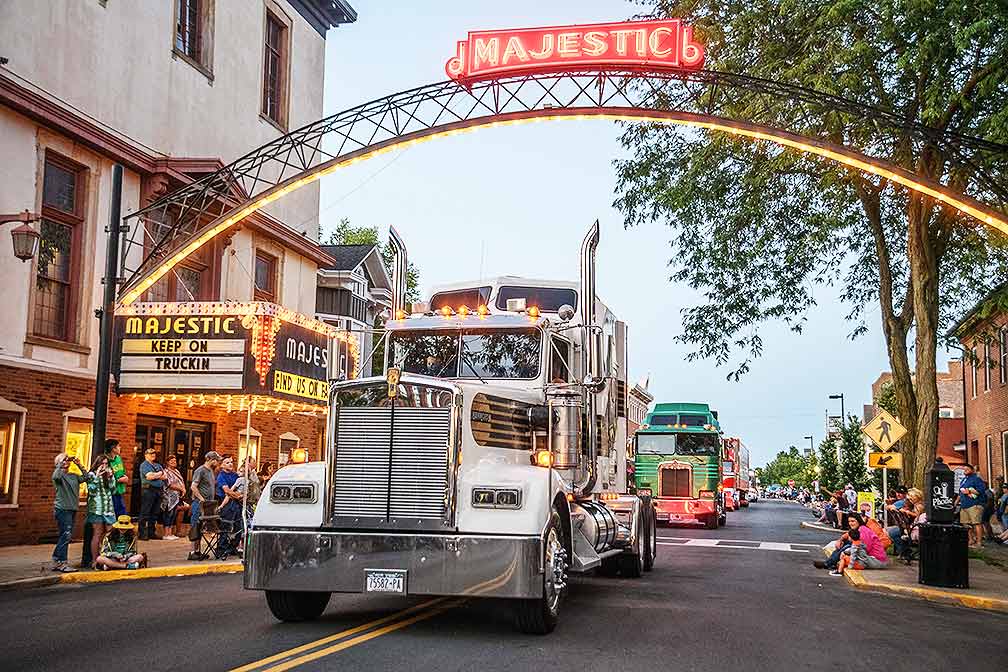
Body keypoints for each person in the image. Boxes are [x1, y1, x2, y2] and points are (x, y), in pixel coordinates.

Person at [51, 452, 89, 572]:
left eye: (68, 461)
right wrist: (61, 464)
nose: (67, 462)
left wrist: (79, 464)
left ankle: (57, 559)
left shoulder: (73, 476)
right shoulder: (58, 476)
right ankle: (62, 563)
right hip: (62, 509)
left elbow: (86, 477)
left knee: (65, 535)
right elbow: (56, 476)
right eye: (64, 460)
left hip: (72, 509)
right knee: (66, 535)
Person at [85, 453, 117, 569]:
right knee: (97, 533)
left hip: (108, 508)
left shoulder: (108, 474)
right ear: (97, 464)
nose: (104, 466)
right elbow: (92, 491)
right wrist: (97, 476)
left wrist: (110, 477)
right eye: (102, 464)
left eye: (106, 464)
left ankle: (106, 557)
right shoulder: (92, 475)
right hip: (96, 509)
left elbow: (113, 490)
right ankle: (95, 560)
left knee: (110, 533)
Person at [188, 451, 221, 561]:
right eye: (216, 460)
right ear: (211, 460)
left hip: (208, 504)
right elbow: (193, 486)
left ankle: (198, 551)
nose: (217, 463)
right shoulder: (200, 470)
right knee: (195, 527)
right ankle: (193, 551)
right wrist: (202, 499)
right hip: (199, 504)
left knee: (201, 527)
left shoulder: (211, 471)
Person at [215, 456, 243, 559]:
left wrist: (240, 495)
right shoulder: (221, 476)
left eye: (231, 462)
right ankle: (221, 549)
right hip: (226, 504)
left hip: (237, 504)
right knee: (226, 527)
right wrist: (238, 495)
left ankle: (232, 548)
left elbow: (241, 487)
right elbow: (226, 490)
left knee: (238, 528)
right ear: (222, 465)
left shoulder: (235, 475)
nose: (230, 464)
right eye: (227, 462)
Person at [957, 464, 988, 548]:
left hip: (975, 504)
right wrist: (956, 502)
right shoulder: (963, 480)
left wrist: (970, 492)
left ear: (972, 470)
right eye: (964, 470)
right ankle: (970, 540)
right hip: (964, 505)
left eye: (967, 469)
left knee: (976, 523)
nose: (965, 471)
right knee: (965, 524)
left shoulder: (976, 479)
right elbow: (960, 493)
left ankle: (979, 543)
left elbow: (981, 490)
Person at [160, 454, 186, 541]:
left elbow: (181, 481)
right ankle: (166, 533)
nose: (174, 463)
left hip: (176, 497)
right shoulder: (165, 471)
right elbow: (169, 484)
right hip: (168, 497)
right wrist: (181, 488)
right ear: (167, 463)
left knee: (173, 514)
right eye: (172, 461)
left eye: (175, 461)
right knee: (168, 514)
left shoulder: (177, 471)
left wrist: (183, 489)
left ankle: (170, 533)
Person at [104, 440, 129, 518]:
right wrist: (119, 480)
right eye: (118, 446)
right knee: (112, 517)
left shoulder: (118, 458)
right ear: (113, 448)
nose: (120, 448)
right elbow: (103, 477)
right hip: (109, 493)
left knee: (121, 515)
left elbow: (121, 472)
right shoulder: (105, 460)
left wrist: (125, 477)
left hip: (119, 491)